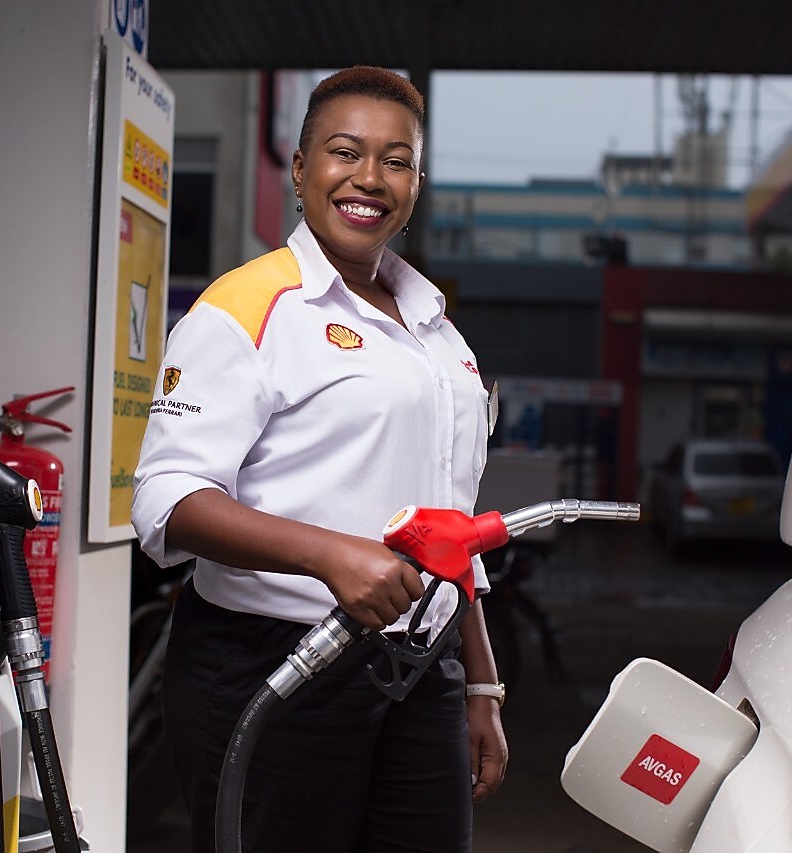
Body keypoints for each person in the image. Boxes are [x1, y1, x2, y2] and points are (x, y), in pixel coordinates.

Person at [132, 65, 507, 853]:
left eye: (396, 160)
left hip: (420, 667)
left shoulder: (439, 334)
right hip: (272, 659)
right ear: (300, 169)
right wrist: (329, 554)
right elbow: (168, 498)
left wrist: (480, 680)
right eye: (345, 152)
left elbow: (455, 526)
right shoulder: (247, 307)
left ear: (415, 184)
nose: (369, 178)